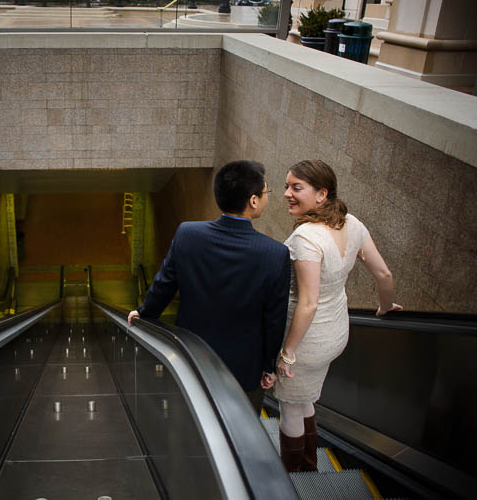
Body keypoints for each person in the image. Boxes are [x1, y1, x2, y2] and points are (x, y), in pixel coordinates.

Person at [128, 160, 291, 414]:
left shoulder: (188, 235)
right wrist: (269, 365)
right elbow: (275, 318)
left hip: (194, 357)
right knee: (243, 425)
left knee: (195, 416)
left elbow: (164, 283)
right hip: (244, 367)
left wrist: (145, 313)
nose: (266, 197)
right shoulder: (275, 254)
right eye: (265, 192)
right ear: (253, 201)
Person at [275, 159, 402, 472]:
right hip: (336, 333)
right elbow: (384, 275)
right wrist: (386, 307)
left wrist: (287, 354)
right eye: (287, 186)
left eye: (296, 188)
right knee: (305, 398)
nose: (287, 193)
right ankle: (308, 464)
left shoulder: (307, 238)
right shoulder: (352, 224)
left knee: (290, 406)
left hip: (305, 342)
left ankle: (297, 475)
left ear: (322, 194)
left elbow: (308, 303)